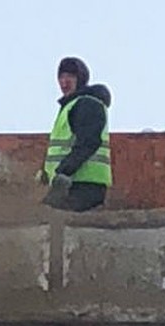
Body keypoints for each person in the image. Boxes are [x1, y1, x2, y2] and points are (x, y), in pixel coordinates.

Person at [40, 57, 112, 211]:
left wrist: (64, 171)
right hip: (70, 182)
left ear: (81, 79)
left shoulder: (87, 104)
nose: (64, 82)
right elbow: (61, 149)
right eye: (61, 77)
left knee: (47, 218)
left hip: (83, 185)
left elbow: (89, 142)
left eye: (70, 77)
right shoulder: (70, 106)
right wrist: (46, 174)